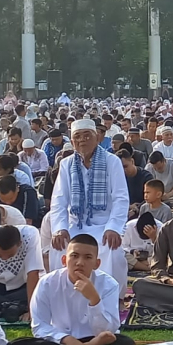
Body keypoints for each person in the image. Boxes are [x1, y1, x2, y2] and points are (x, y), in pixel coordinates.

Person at [5, 234, 135, 345]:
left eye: (87, 257)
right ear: (64, 260)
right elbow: (39, 326)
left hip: (95, 340)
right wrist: (68, 340)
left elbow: (107, 331)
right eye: (74, 256)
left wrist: (94, 300)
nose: (80, 263)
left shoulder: (109, 284)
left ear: (97, 263)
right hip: (60, 342)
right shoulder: (47, 283)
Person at [49, 119, 129, 301]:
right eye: (77, 137)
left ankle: (112, 299)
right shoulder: (66, 163)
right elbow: (59, 200)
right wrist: (60, 228)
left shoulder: (112, 161)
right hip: (75, 225)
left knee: (112, 250)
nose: (82, 140)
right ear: (72, 141)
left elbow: (121, 198)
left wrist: (114, 228)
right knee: (59, 246)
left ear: (97, 138)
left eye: (87, 136)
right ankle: (64, 298)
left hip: (104, 225)